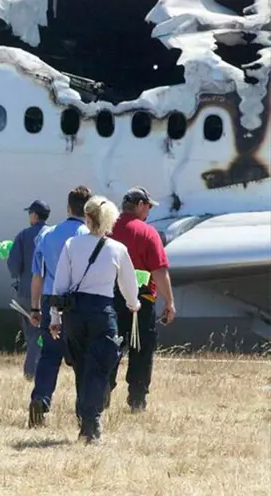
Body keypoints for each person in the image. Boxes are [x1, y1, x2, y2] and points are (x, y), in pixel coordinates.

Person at [49, 195, 140, 443]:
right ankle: (92, 421)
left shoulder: (71, 245)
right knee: (99, 368)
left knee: (80, 367)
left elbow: (60, 286)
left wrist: (55, 317)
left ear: (87, 218)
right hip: (102, 312)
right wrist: (134, 305)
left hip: (75, 314)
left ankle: (85, 419)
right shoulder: (117, 249)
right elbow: (128, 286)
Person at [27, 185, 92, 428]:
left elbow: (37, 275)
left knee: (49, 356)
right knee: (82, 358)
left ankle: (40, 400)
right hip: (80, 301)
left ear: (67, 207)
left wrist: (35, 308)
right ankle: (83, 410)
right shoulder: (90, 236)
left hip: (50, 298)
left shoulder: (47, 235)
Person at [107, 187, 176, 412]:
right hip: (141, 302)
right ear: (139, 204)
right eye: (147, 206)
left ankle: (102, 392)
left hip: (110, 300)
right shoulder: (148, 233)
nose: (148, 211)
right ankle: (137, 398)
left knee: (109, 347)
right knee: (141, 349)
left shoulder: (107, 230)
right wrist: (169, 302)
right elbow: (159, 271)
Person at [7, 199, 51, 380]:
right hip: (50, 292)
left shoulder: (23, 235)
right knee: (45, 333)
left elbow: (14, 266)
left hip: (26, 292)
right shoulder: (52, 234)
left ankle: (31, 372)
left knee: (32, 334)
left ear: (34, 215)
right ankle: (41, 367)